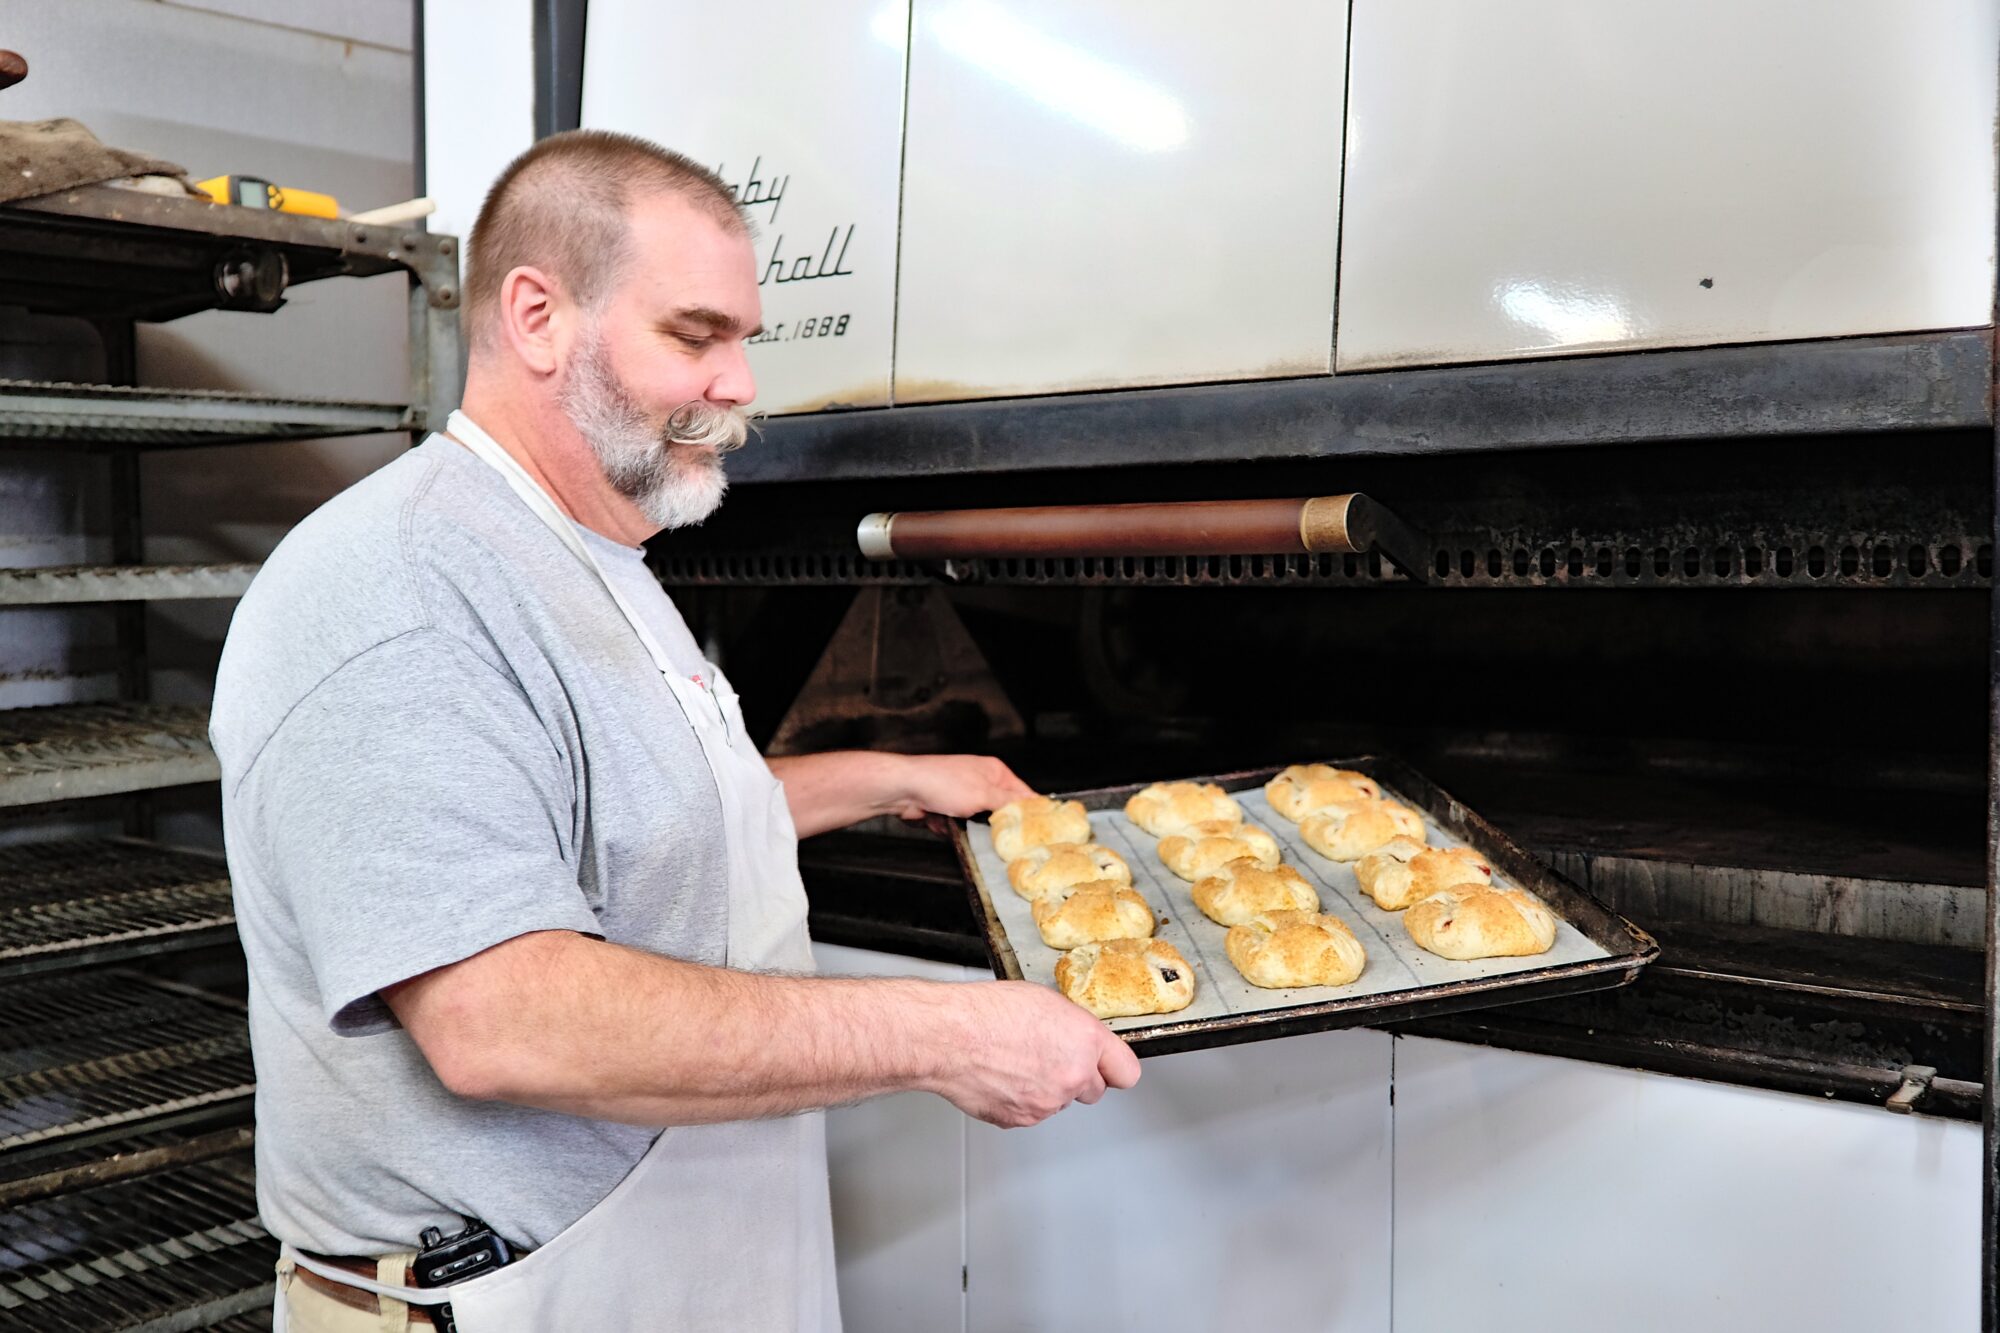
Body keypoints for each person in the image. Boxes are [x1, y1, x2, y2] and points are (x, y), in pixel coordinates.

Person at [210, 128, 1140, 1333]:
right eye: (694, 336)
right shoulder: (400, 587)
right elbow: (502, 1015)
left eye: (742, 340)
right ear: (537, 317)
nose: (740, 382)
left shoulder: (591, 554)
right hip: (503, 1298)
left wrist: (880, 775)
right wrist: (946, 1031)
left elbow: (618, 809)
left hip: (665, 1266)